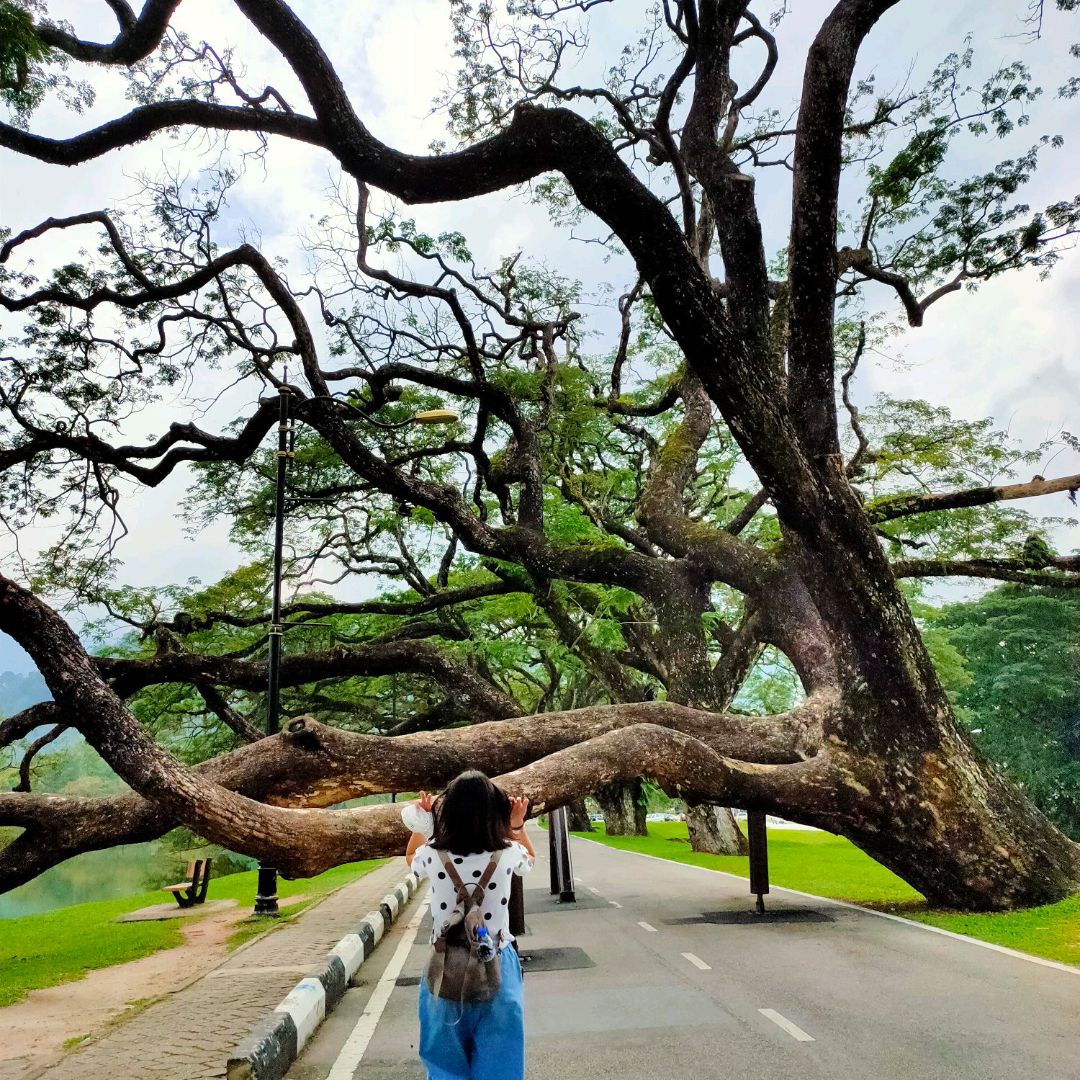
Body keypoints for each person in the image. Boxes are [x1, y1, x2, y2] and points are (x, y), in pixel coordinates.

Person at [404, 771, 535, 1080]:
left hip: (445, 965)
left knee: (444, 1060)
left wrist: (423, 823)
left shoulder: (433, 855)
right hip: (498, 963)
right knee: (501, 1059)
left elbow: (411, 856)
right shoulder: (508, 853)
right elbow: (529, 857)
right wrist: (517, 826)